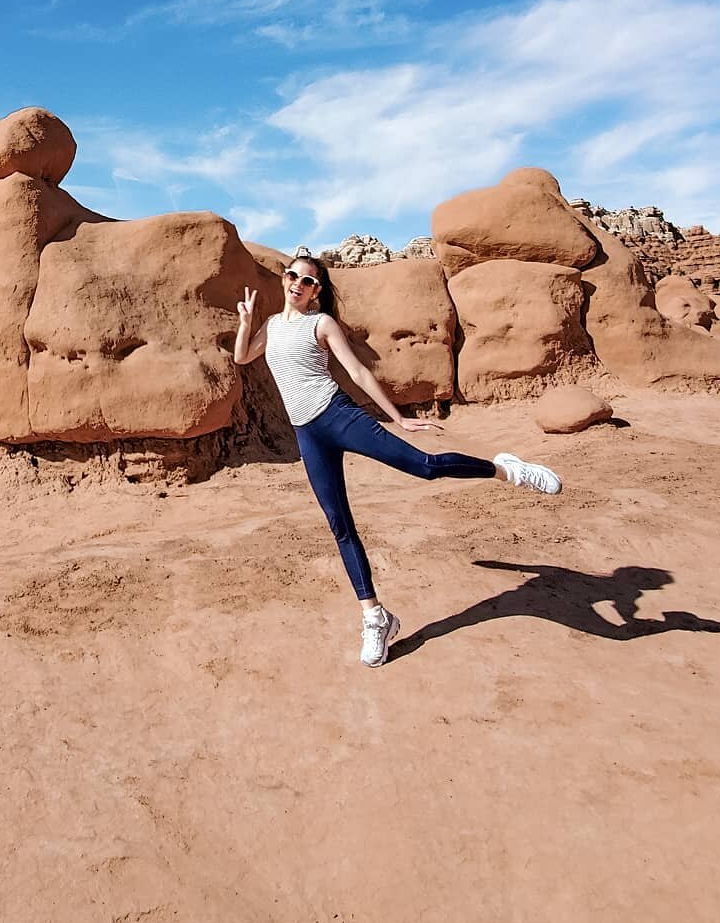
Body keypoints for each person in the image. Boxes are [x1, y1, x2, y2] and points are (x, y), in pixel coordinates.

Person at [234, 253, 562, 667]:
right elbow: (242, 357)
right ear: (284, 280)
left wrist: (397, 418)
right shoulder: (270, 326)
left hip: (338, 417)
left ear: (318, 292)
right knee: (339, 524)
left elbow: (357, 373)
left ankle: (507, 469)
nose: (297, 283)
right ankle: (376, 617)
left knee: (424, 467)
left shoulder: (321, 324)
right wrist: (246, 322)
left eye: (308, 281)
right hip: (308, 434)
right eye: (293, 276)